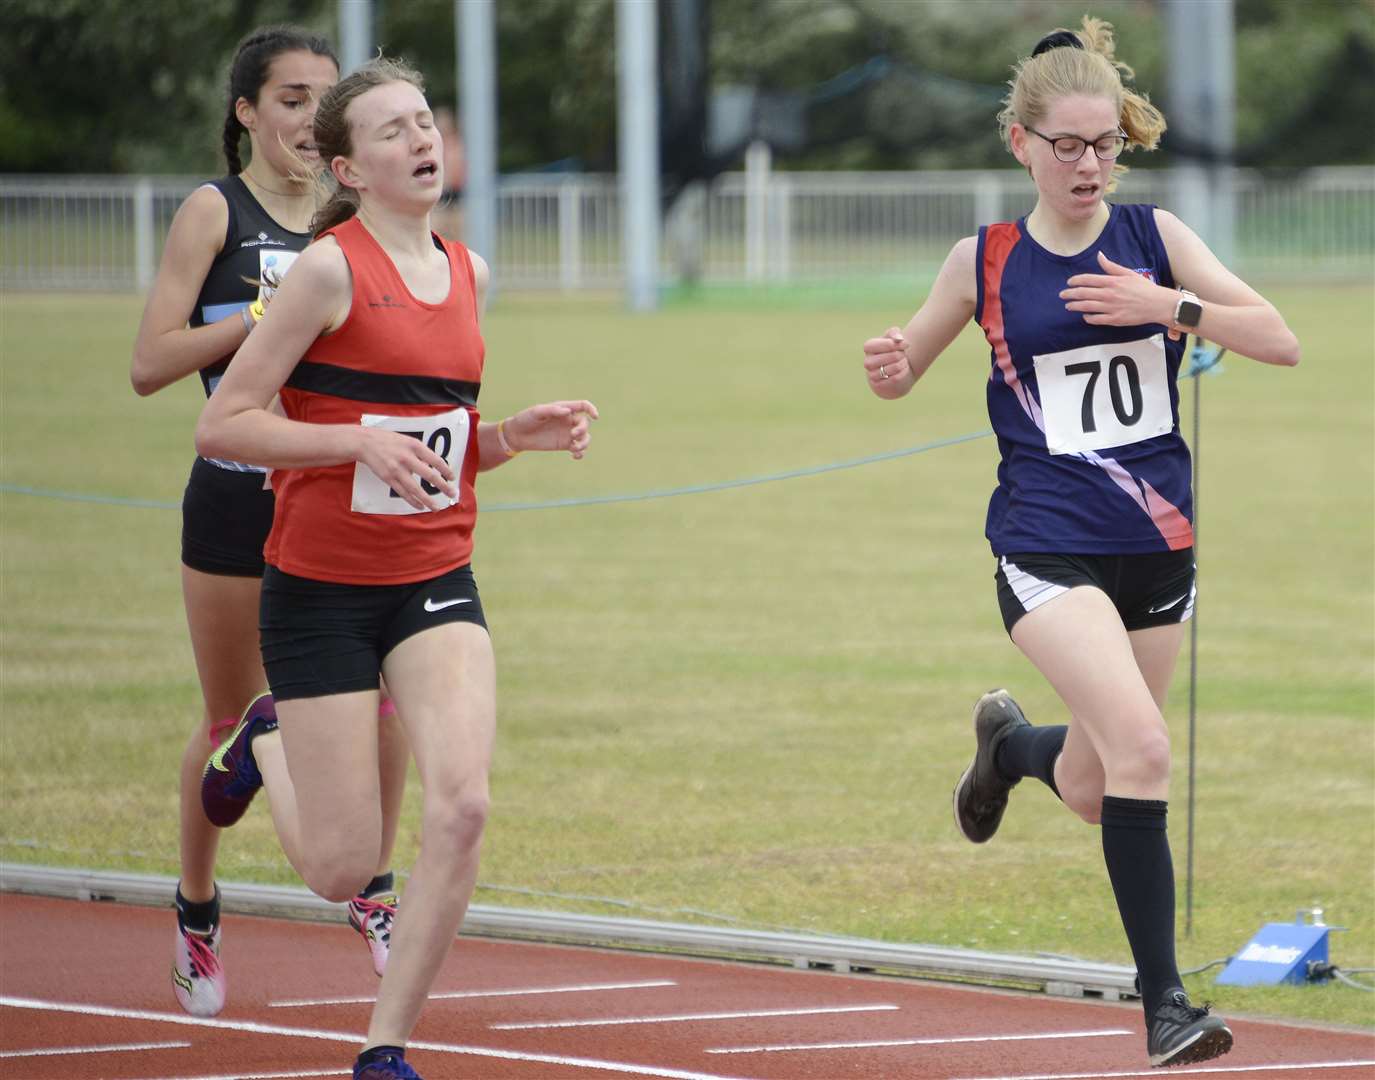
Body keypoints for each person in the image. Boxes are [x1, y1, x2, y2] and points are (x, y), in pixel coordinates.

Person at [860, 17, 1297, 1070]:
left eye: (1104, 144)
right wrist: (889, 361)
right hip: (1044, 545)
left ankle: (1009, 748)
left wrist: (1167, 306)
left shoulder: (1155, 239)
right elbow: (903, 365)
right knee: (1146, 749)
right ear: (1021, 143)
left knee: (1103, 782)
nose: (1089, 164)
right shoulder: (985, 259)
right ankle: (1165, 1006)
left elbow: (1276, 338)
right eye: (1067, 145)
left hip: (1156, 545)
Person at [195, 56, 597, 1080]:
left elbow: (438, 442)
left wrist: (512, 433)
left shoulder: (471, 273)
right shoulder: (326, 269)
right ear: (348, 166)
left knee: (461, 807)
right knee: (339, 867)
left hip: (434, 577)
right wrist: (350, 443)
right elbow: (223, 423)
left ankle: (385, 1050)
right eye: (391, 131)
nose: (420, 141)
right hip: (320, 591)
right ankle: (262, 744)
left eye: (425, 123)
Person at [130, 26, 412, 1018]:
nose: (309, 118)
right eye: (290, 99)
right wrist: (259, 319)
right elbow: (150, 364)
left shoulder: (355, 219)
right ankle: (198, 908)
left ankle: (374, 891)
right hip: (236, 497)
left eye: (324, 101)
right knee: (230, 726)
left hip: (341, 501)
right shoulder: (218, 212)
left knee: (385, 700)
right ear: (247, 111)